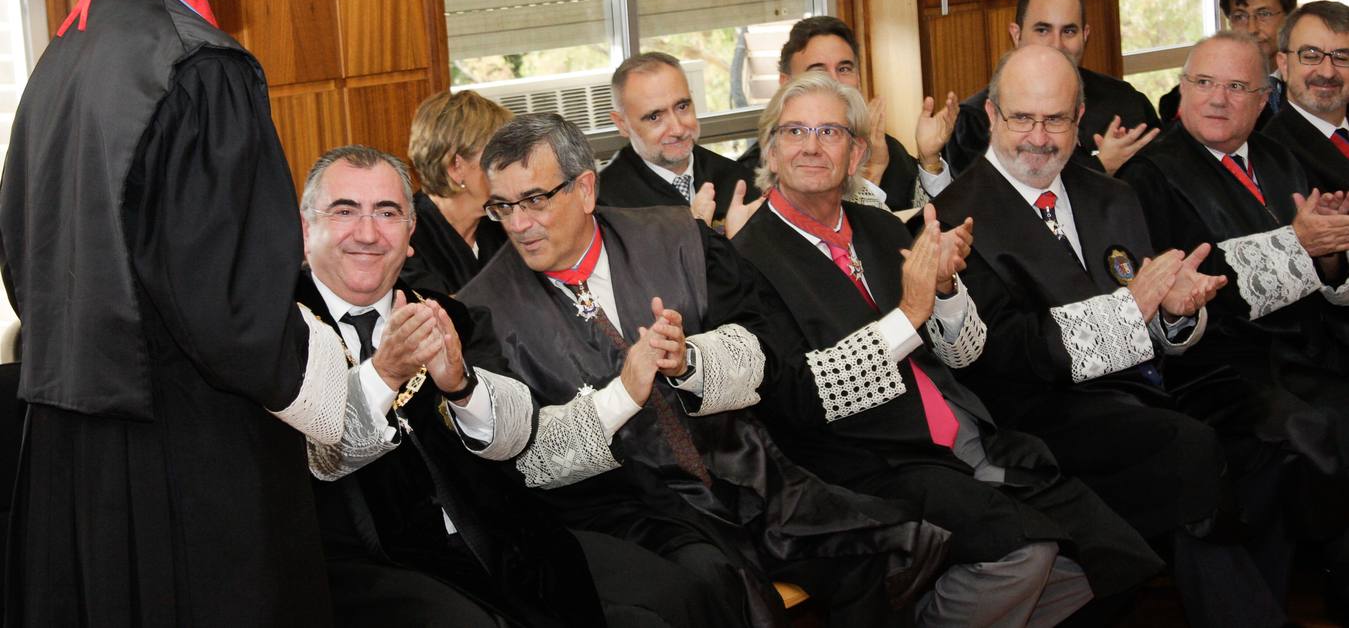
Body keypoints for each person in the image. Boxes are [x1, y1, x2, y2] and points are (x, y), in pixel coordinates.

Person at [0, 0, 349, 625]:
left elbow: (22, 261)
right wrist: (334, 384)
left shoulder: (68, 50)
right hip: (187, 453)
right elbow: (234, 309)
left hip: (71, 444)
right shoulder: (201, 66)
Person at [459, 114, 950, 627]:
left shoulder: (679, 238)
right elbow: (530, 462)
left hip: (743, 470)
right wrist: (622, 394)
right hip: (631, 510)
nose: (518, 225)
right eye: (503, 206)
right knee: (716, 589)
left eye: (535, 200)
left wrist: (689, 360)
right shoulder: (484, 312)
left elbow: (765, 353)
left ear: (584, 189)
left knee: (872, 548)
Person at [732, 72, 1162, 625]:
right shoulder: (745, 259)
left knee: (1112, 559)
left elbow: (963, 355)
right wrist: (908, 315)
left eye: (829, 132)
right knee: (1024, 555)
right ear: (770, 147)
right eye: (794, 131)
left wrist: (946, 292)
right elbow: (798, 398)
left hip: (966, 432)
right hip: (867, 460)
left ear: (858, 151)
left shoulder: (882, 227)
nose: (811, 146)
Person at [936, 44, 1304, 627]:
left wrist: (1175, 312)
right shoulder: (958, 218)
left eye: (1055, 119)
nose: (1039, 136)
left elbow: (1158, 314)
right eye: (1022, 118)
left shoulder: (1109, 192)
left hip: (1141, 388)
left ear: (1079, 119)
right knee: (1188, 450)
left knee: (1264, 436)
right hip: (1039, 411)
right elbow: (1007, 350)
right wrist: (1132, 313)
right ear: (992, 118)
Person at [300, 145, 720, 627]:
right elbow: (322, 454)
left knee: (678, 595)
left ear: (411, 234)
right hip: (364, 563)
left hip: (497, 530)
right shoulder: (276, 331)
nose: (369, 233)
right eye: (345, 211)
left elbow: (516, 434)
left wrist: (459, 384)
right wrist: (385, 371)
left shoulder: (450, 313)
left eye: (388, 212)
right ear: (308, 229)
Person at [1118, 32, 1349, 618]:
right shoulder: (1150, 176)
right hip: (1213, 367)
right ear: (1182, 91)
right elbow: (1191, 289)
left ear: (1264, 97)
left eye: (1236, 87)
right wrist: (1298, 247)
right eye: (1204, 84)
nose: (1217, 100)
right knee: (1307, 434)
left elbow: (1317, 267)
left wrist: (1324, 251)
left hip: (1300, 347)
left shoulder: (1276, 157)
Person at [738, 16, 957, 211]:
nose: (835, 81)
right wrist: (871, 175)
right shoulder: (761, 165)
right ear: (785, 83)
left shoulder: (883, 146)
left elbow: (927, 226)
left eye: (844, 69)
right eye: (818, 71)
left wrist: (930, 161)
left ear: (859, 80)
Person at [945, 0, 1160, 176]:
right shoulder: (977, 120)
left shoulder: (1124, 101)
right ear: (1016, 34)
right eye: (1042, 30)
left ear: (1085, 36)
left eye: (1068, 31)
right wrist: (1100, 167)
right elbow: (988, 203)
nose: (1057, 45)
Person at [599, 52, 760, 228]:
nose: (677, 129)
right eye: (654, 117)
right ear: (622, 124)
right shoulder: (605, 205)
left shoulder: (736, 181)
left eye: (682, 107)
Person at [401, 89, 512, 294]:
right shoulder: (404, 238)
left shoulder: (504, 223)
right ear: (455, 166)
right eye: (497, 155)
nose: (511, 165)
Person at [1158, 0, 1297, 123]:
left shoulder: (1314, 80)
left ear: (1289, 17)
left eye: (1264, 14)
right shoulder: (1189, 99)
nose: (1252, 29)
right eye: (1240, 16)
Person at [1263, 1, 1349, 194]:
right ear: (1284, 66)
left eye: (1342, 57)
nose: (1327, 72)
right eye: (1310, 56)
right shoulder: (1273, 154)